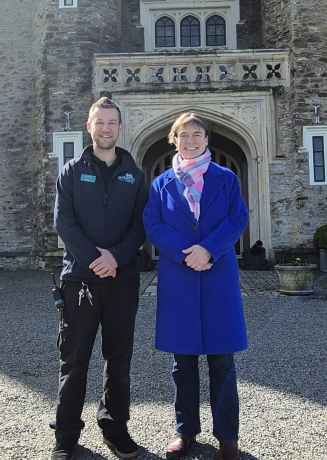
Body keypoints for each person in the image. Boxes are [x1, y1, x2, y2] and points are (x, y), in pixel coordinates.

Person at [143, 113, 249, 460]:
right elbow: (153, 223)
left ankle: (227, 438)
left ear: (206, 139)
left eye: (197, 134)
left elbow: (238, 218)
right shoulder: (161, 184)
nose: (191, 140)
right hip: (180, 276)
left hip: (218, 276)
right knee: (183, 364)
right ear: (174, 139)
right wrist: (186, 254)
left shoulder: (227, 178)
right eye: (184, 135)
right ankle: (185, 432)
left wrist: (210, 249)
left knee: (222, 363)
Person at [51, 97, 149, 460]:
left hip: (122, 282)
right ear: (89, 127)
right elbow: (64, 223)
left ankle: (114, 428)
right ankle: (65, 436)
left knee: (118, 359)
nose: (106, 128)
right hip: (80, 281)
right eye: (99, 122)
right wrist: (95, 260)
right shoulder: (72, 171)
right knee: (74, 360)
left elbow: (141, 224)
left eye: (112, 123)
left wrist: (117, 257)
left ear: (120, 129)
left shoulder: (134, 174)